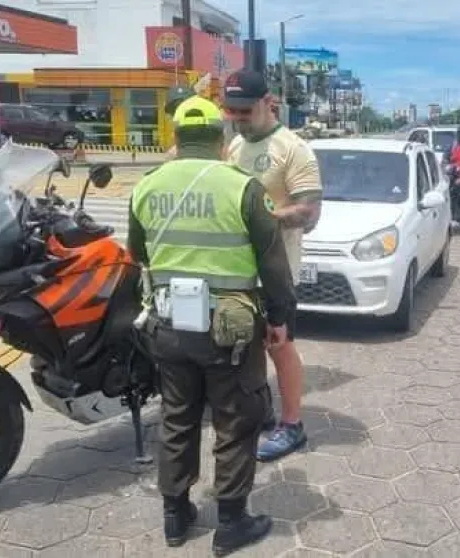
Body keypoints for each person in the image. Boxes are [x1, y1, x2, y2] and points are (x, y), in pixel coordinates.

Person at [127, 95, 297, 554]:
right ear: (222, 139)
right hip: (230, 332)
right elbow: (273, 262)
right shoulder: (243, 187)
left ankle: (175, 517)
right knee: (236, 420)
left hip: (168, 326)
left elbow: (137, 254)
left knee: (177, 419)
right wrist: (279, 318)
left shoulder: (147, 185)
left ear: (177, 138)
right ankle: (231, 522)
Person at [222, 69, 323, 463]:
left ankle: (293, 425)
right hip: (234, 267)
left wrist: (262, 218)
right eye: (232, 111)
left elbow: (310, 212)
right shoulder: (234, 146)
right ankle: (260, 412)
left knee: (279, 346)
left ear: (269, 103)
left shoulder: (293, 149)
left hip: (274, 271)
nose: (239, 118)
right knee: (242, 346)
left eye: (246, 110)